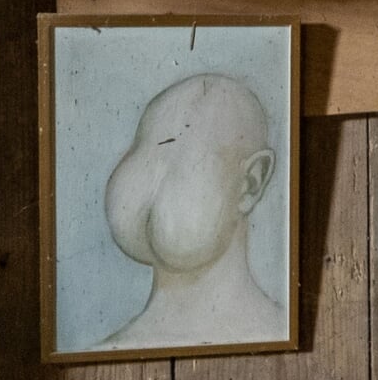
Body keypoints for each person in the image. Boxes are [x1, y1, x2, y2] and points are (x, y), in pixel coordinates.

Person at [100, 73, 286, 349]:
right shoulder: (107, 350)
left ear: (251, 183)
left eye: (189, 157)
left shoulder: (277, 331)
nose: (160, 176)